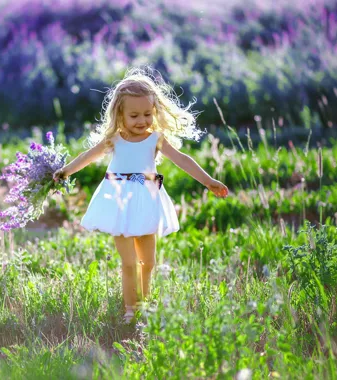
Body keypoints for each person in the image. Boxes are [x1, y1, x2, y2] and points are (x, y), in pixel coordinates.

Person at [53, 67, 229, 323]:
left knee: (148, 262)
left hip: (147, 201)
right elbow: (87, 157)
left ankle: (144, 304)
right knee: (128, 262)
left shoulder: (155, 138)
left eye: (147, 114)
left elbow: (182, 160)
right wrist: (66, 171)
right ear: (119, 114)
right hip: (118, 202)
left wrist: (208, 181)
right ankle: (130, 309)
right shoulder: (114, 139)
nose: (142, 120)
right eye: (134, 115)